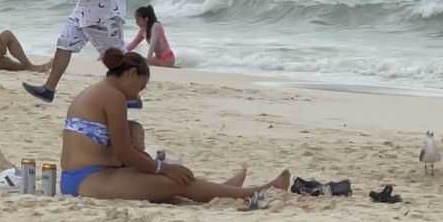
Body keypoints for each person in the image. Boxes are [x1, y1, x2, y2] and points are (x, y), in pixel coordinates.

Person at [57, 49, 287, 201]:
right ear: (130, 74)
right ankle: (252, 193)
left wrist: (138, 136)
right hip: (88, 180)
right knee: (174, 181)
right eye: (140, 86)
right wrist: (163, 167)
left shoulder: (96, 91)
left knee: (167, 190)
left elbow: (111, 144)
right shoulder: (113, 96)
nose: (137, 94)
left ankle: (223, 190)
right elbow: (124, 153)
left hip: (78, 176)